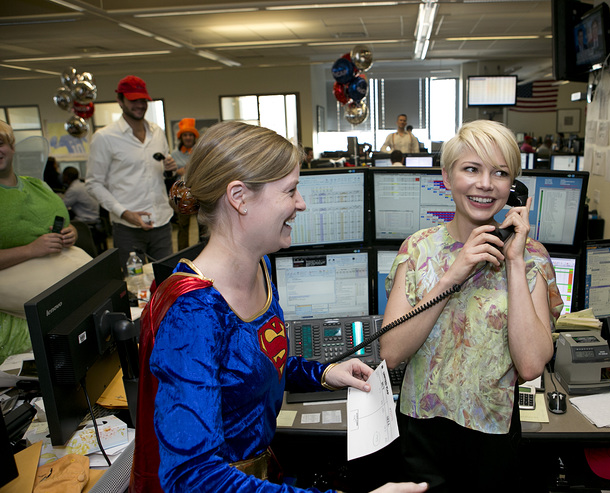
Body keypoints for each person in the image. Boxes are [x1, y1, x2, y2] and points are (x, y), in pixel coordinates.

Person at [131, 121, 428, 493]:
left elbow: (250, 366)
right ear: (239, 197)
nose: (301, 203)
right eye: (290, 190)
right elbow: (193, 477)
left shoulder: (262, 266)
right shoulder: (192, 315)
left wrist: (323, 373)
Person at [379, 120, 563, 492]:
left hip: (493, 438)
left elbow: (530, 365)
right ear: (447, 178)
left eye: (500, 173)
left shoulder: (532, 258)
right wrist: (452, 276)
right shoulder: (417, 249)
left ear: (513, 188)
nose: (485, 184)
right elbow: (392, 353)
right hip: (421, 433)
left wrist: (514, 259)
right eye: (471, 169)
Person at [0, 121, 82, 363]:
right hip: (21, 322)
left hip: (63, 312)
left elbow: (62, 219)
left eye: (0, 143)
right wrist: (30, 250)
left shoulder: (36, 185)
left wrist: (71, 233)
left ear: (12, 146)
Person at [85, 75, 177, 269]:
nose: (140, 105)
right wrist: (124, 213)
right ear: (120, 101)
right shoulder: (105, 137)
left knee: (166, 279)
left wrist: (169, 171)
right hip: (128, 228)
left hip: (161, 220)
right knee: (133, 284)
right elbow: (93, 183)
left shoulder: (157, 132)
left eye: (143, 100)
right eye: (133, 100)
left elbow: (161, 174)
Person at [62, 166, 107, 254]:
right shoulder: (83, 185)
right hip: (97, 220)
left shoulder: (73, 189)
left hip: (86, 223)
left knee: (65, 225)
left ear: (66, 177)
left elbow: (62, 206)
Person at [172, 118, 200, 251]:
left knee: (203, 225)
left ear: (194, 137)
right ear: (181, 137)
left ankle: (203, 250)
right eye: (185, 135)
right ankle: (182, 253)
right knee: (183, 226)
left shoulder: (200, 151)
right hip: (181, 196)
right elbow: (169, 173)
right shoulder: (174, 154)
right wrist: (177, 170)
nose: (188, 138)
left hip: (199, 193)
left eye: (190, 135)